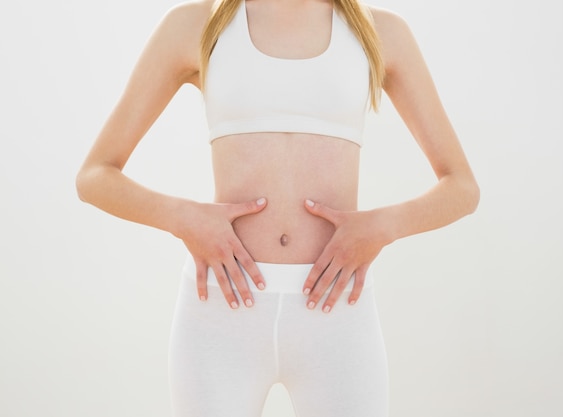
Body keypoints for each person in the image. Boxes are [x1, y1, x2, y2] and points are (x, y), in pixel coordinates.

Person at [76, 0, 479, 415]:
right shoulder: (199, 24)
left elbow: (461, 187)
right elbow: (94, 176)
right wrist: (184, 218)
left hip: (337, 311)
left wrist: (382, 226)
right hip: (221, 310)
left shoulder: (380, 33)